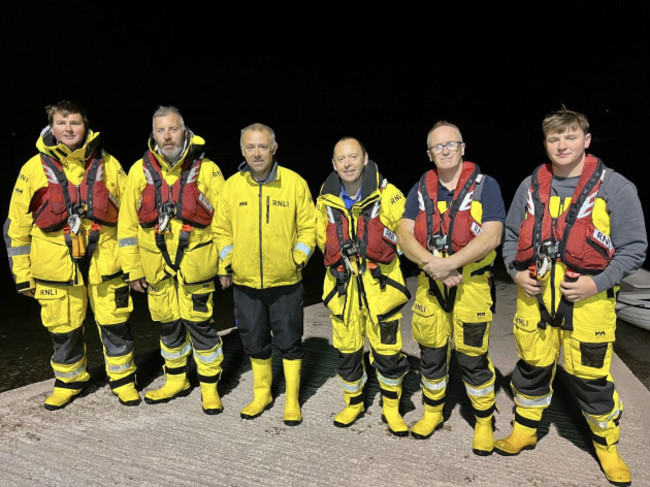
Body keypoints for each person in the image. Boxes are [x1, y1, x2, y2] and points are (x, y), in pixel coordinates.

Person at [494, 107, 647, 486]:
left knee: (592, 379)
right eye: (554, 138)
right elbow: (511, 239)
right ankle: (524, 431)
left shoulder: (616, 187)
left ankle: (608, 447)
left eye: (570, 136)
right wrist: (516, 273)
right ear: (546, 144)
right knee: (530, 369)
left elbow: (633, 249)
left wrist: (595, 284)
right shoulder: (530, 187)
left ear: (586, 140)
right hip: (536, 300)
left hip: (589, 303)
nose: (562, 144)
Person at [4, 100, 140, 410]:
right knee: (63, 330)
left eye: (75, 122)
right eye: (62, 123)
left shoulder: (109, 163)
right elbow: (16, 228)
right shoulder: (32, 169)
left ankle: (123, 380)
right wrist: (22, 276)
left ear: (86, 126)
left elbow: (131, 217)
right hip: (55, 269)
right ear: (52, 127)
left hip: (107, 261)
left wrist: (135, 265)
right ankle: (69, 381)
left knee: (116, 324)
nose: (68, 129)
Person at [397, 121, 506, 454]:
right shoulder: (420, 189)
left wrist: (451, 262)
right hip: (432, 284)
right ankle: (432, 413)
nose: (444, 151)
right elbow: (403, 235)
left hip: (471, 286)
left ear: (462, 148)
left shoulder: (486, 186)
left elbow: (492, 236)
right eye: (437, 147)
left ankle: (485, 422)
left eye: (450, 145)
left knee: (473, 359)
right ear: (430, 155)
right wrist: (437, 267)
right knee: (430, 356)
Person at [118, 105, 226, 415]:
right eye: (161, 130)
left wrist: (224, 265)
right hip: (155, 266)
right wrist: (133, 269)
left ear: (185, 131)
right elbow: (127, 227)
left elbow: (224, 223)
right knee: (168, 327)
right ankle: (176, 380)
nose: (167, 136)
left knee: (201, 326)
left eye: (173, 129)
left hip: (197, 263)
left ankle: (209, 388)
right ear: (153, 135)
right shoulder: (138, 172)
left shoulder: (209, 170)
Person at [215, 122, 316, 426]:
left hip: (285, 282)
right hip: (245, 284)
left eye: (262, 147)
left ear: (273, 148)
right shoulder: (232, 186)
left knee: (289, 341)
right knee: (254, 340)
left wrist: (297, 258)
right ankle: (263, 393)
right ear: (242, 150)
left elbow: (309, 227)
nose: (256, 153)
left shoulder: (294, 183)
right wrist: (229, 260)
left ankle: (292, 399)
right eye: (250, 147)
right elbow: (221, 229)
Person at [316, 137, 412, 436]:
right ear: (334, 164)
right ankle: (354, 403)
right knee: (347, 351)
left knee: (387, 352)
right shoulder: (324, 199)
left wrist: (382, 250)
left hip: (380, 289)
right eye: (341, 158)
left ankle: (392, 409)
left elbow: (409, 236)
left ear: (365, 158)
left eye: (353, 156)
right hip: (343, 290)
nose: (348, 163)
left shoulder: (389, 195)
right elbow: (322, 240)